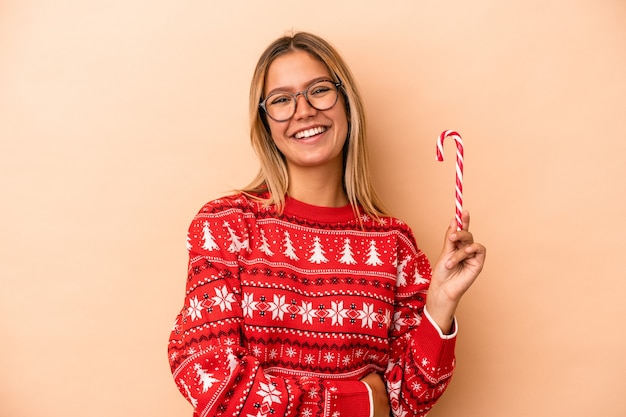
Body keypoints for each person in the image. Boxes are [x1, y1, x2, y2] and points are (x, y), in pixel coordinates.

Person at [168, 31, 486, 417]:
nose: (303, 111)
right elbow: (207, 373)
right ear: (266, 122)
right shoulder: (225, 226)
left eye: (319, 90)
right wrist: (359, 401)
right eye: (282, 100)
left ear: (346, 104)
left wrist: (441, 304)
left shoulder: (393, 243)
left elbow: (408, 400)